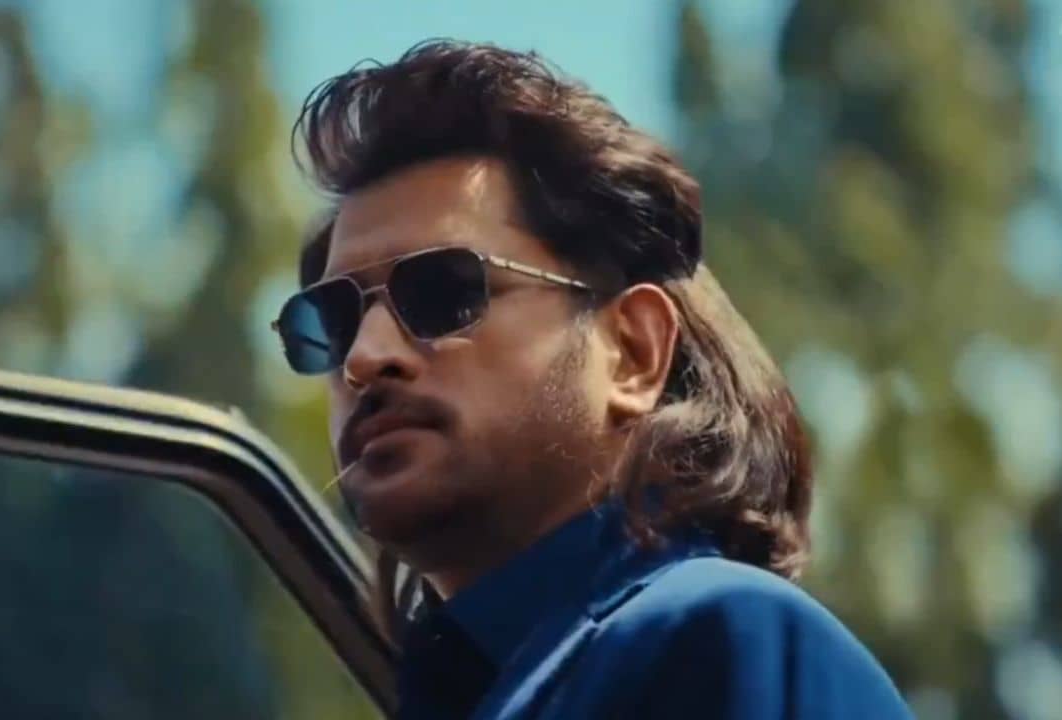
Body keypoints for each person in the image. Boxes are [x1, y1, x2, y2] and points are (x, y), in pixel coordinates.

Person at [271, 39, 913, 720]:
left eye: (442, 292)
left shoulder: (717, 637)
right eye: (331, 321)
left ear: (633, 353)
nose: (365, 356)